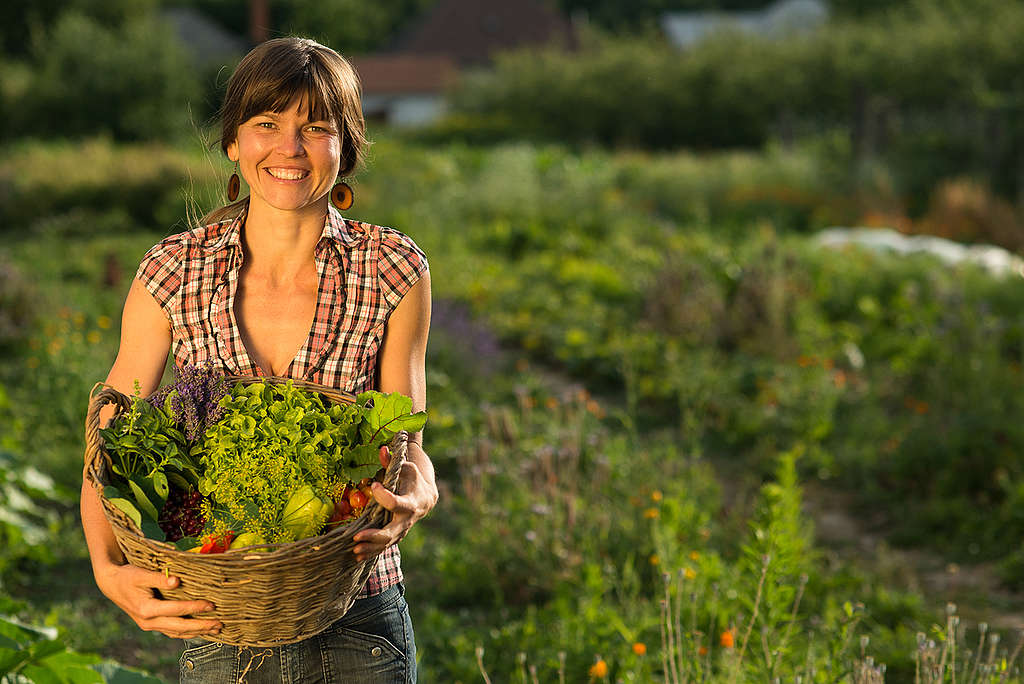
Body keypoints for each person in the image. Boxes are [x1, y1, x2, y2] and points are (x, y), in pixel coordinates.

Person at [80, 37, 436, 683]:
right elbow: (111, 434)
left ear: (346, 149)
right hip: (221, 612)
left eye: (316, 128)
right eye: (266, 124)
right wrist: (108, 571)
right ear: (233, 143)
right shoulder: (174, 268)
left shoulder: (393, 268)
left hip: (359, 612)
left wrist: (420, 490)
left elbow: (405, 440)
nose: (289, 149)